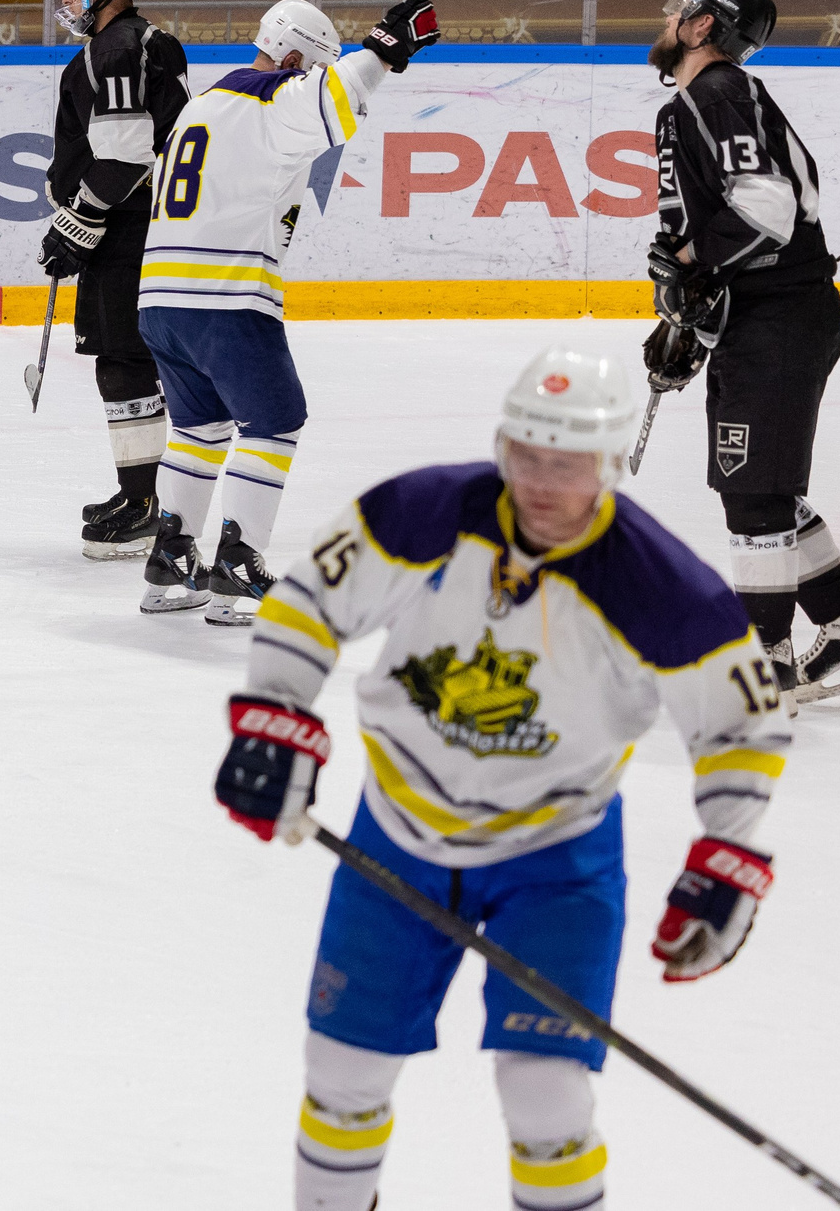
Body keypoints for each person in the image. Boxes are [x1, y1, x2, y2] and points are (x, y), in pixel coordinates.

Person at [215, 345, 791, 1211]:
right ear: (501, 443)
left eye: (568, 464)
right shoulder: (423, 514)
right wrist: (276, 713)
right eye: (527, 455)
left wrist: (728, 856)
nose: (542, 483)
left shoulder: (664, 589)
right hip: (398, 832)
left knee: (545, 1094)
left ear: (611, 462)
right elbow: (307, 601)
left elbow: (742, 724)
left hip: (556, 860)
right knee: (342, 1075)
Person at [135, 0, 439, 622]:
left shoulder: (205, 104)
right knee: (274, 422)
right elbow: (333, 93)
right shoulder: (269, 99)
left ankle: (171, 555)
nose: (308, 81)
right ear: (293, 57)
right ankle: (237, 567)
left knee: (200, 427)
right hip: (224, 297)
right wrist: (388, 44)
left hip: (161, 301)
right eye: (307, 69)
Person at [643, 0, 840, 704]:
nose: (666, 15)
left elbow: (767, 210)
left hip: (779, 318)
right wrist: (685, 311)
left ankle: (766, 664)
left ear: (701, 29)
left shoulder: (718, 93)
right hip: (767, 317)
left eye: (679, 10)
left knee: (754, 496)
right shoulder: (702, 99)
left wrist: (689, 266)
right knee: (764, 492)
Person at [38, 0, 191, 560]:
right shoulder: (135, 45)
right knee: (132, 362)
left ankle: (144, 503)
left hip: (129, 230)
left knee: (124, 362)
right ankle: (147, 496)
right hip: (141, 226)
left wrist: (78, 223)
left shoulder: (119, 47)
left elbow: (128, 154)